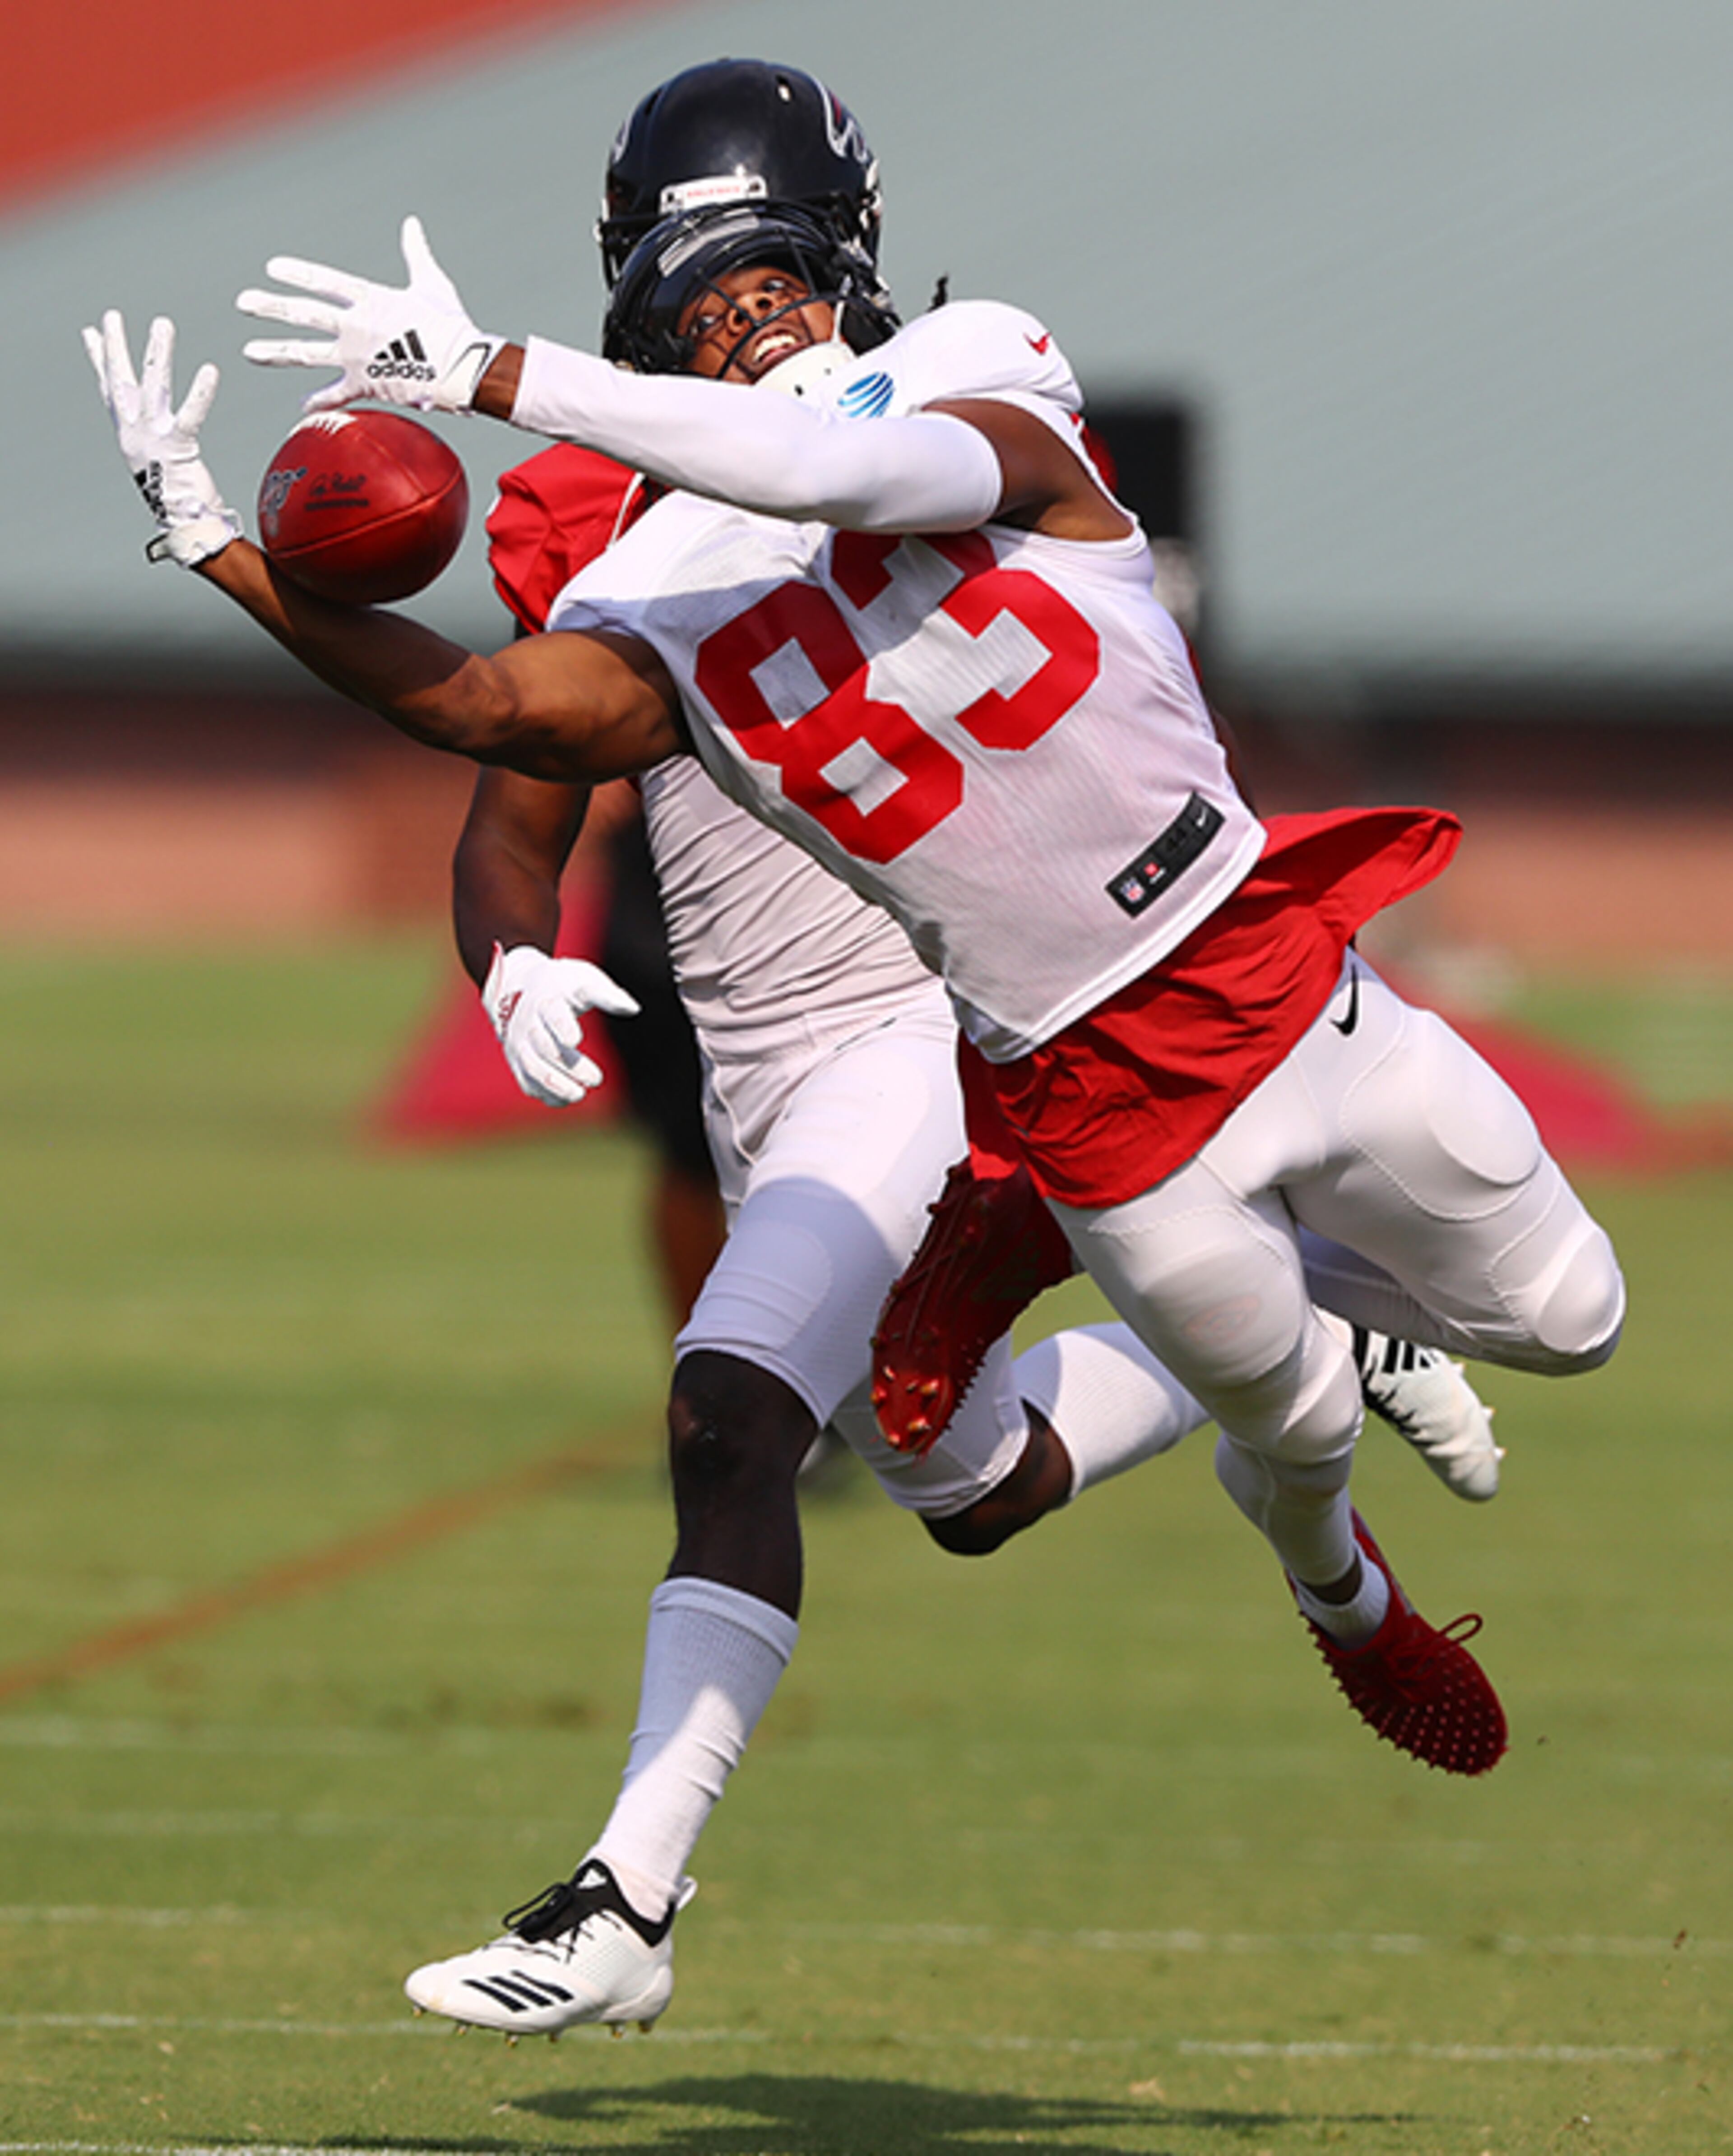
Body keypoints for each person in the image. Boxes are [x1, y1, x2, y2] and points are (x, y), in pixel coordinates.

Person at [86, 67, 1622, 2037]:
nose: (736, 309)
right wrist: (231, 561)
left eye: (766, 271)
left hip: (945, 1010)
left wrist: (487, 366)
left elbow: (836, 475)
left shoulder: (967, 374)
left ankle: (626, 1896)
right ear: (640, 285)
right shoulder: (611, 538)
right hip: (772, 1046)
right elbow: (510, 738)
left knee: (735, 1410)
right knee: (950, 1479)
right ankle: (1310, 1336)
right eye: (694, 281)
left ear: (848, 257)